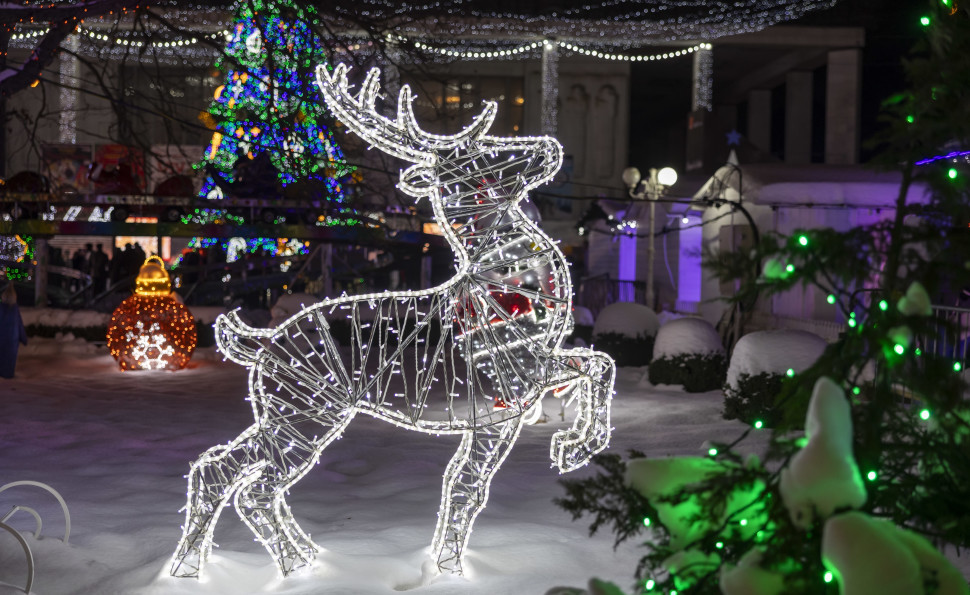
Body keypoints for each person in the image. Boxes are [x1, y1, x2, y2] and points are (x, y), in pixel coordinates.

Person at [0, 283, 27, 379]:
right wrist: (24, 339)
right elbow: (19, 325)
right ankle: (8, 375)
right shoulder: (15, 310)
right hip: (12, 341)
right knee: (9, 360)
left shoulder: (1, 308)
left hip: (2, 339)